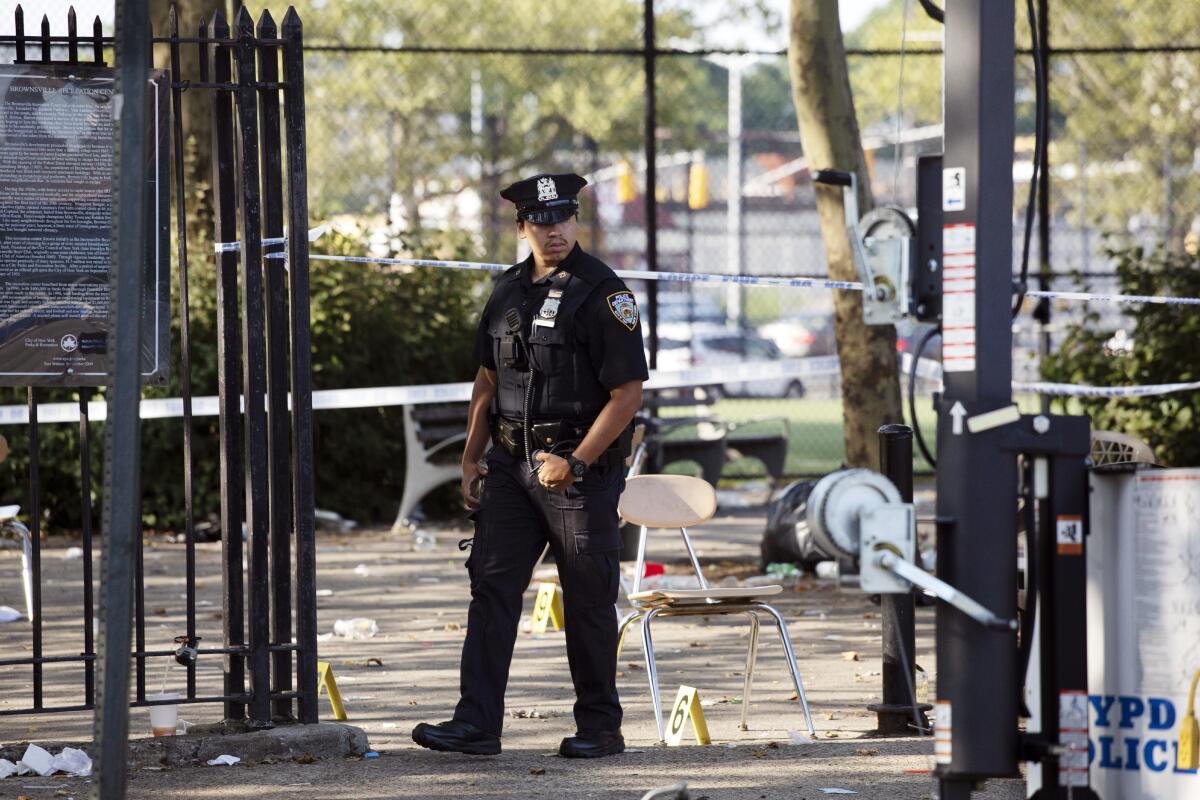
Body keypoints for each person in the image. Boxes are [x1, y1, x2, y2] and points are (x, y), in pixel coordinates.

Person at [412, 172, 647, 758]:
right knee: (491, 589)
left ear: (576, 220)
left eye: (564, 217)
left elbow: (627, 395)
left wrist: (576, 462)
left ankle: (599, 727)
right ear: (522, 228)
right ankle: (476, 725)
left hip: (575, 473)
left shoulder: (603, 293)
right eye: (542, 221)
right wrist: (471, 458)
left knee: (588, 598)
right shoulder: (507, 291)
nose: (555, 229)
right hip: (511, 470)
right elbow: (487, 381)